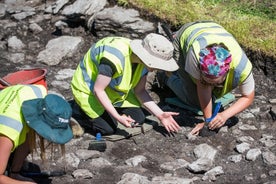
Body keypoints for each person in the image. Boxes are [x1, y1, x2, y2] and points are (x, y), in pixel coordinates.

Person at [70, 33, 181, 135]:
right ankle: (78, 112)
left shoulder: (143, 63)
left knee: (138, 118)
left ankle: (108, 110)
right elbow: (98, 90)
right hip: (89, 90)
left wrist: (160, 115)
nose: (158, 68)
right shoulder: (113, 59)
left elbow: (140, 91)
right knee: (108, 129)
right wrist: (118, 117)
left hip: (113, 92)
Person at [160, 21, 255, 135]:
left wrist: (224, 115)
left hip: (211, 29)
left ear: (227, 71)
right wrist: (208, 120)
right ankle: (164, 76)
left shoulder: (242, 66)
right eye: (207, 81)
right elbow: (203, 88)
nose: (210, 85)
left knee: (211, 93)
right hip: (186, 37)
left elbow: (248, 96)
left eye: (215, 82)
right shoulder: (195, 57)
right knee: (194, 100)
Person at [0, 84, 73, 183]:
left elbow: (29, 136)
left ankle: (14, 171)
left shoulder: (39, 93)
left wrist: (15, 173)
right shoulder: (10, 130)